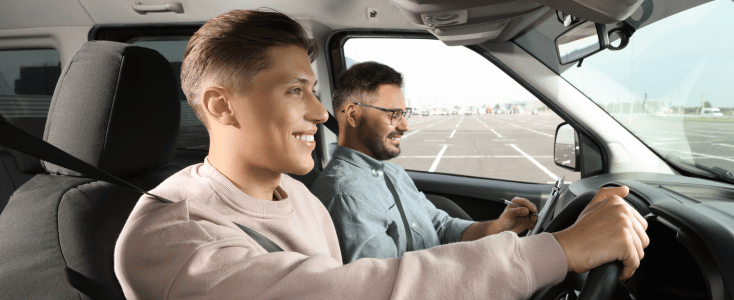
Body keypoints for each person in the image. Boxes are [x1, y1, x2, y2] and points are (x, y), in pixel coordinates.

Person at [114, 9, 649, 299]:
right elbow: (361, 289)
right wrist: (557, 251)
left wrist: (510, 233)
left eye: (315, 91)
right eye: (295, 91)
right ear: (222, 107)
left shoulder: (297, 196)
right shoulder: (171, 238)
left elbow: (427, 239)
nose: (321, 114)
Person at [311, 62, 541, 263]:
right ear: (353, 115)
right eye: (393, 114)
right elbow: (387, 285)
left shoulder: (393, 173)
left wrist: (499, 227)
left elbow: (442, 227)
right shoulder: (345, 195)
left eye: (404, 113)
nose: (404, 126)